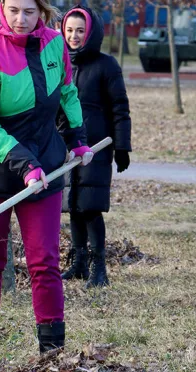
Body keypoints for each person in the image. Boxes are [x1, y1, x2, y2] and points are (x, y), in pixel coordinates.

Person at [0, 0, 93, 372]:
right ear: (2, 7)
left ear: (42, 11)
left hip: (45, 168)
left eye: (29, 11)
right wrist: (24, 164)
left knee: (44, 262)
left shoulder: (54, 44)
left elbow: (66, 94)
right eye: (14, 9)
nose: (21, 19)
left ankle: (52, 357)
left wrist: (77, 138)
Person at [58, 5, 131, 288]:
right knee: (73, 205)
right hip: (65, 144)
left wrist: (122, 147)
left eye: (80, 31)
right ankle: (78, 263)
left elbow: (120, 108)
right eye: (70, 30)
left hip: (96, 146)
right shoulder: (59, 62)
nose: (74, 36)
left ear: (90, 33)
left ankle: (99, 267)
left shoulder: (106, 65)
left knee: (90, 207)